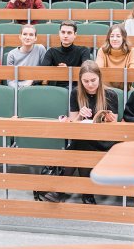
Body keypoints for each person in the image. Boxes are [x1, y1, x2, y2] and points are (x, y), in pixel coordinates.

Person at [39, 61, 119, 204]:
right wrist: (80, 116)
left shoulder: (110, 94)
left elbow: (113, 129)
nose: (90, 84)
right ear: (80, 81)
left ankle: (60, 190)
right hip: (83, 138)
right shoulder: (76, 93)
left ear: (100, 78)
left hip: (103, 141)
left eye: (93, 80)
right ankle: (86, 194)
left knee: (78, 146)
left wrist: (110, 120)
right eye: (86, 81)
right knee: (81, 143)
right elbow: (73, 124)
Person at [40, 21, 92, 88]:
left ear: (75, 35)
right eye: (63, 32)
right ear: (59, 33)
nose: (65, 36)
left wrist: (67, 71)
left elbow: (86, 71)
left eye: (69, 33)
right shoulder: (51, 51)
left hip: (77, 87)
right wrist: (59, 71)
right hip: (56, 87)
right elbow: (42, 72)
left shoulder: (84, 50)